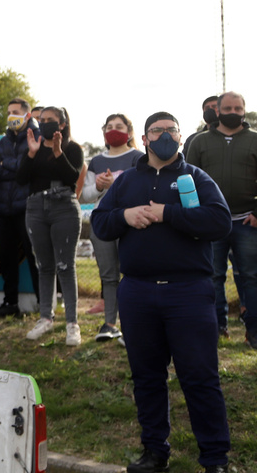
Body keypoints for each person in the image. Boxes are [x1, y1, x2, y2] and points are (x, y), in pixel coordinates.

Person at [92, 112, 231, 473]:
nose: (165, 135)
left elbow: (219, 221)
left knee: (200, 378)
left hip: (189, 293)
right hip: (137, 294)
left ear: (181, 137)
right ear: (145, 138)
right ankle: (155, 452)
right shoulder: (126, 183)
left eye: (172, 130)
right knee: (147, 377)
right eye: (158, 130)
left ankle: (215, 459)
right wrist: (126, 216)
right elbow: (101, 223)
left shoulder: (196, 178)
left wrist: (167, 213)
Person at [186, 91, 257, 345]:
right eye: (228, 108)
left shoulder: (255, 140)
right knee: (212, 276)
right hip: (212, 223)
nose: (234, 112)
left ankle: (254, 333)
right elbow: (188, 180)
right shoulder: (200, 142)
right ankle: (216, 329)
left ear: (244, 110)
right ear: (218, 111)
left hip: (247, 222)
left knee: (251, 276)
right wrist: (197, 216)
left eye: (239, 108)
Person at [18, 106, 84, 346]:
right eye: (41, 119)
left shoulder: (72, 148)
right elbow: (21, 178)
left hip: (63, 207)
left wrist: (57, 152)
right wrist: (32, 154)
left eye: (50, 120)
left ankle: (72, 324)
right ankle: (45, 318)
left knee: (65, 266)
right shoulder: (33, 146)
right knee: (44, 266)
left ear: (62, 124)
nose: (44, 123)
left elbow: (72, 177)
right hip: (36, 208)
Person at [80, 113, 142, 342]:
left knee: (132, 273)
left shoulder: (138, 158)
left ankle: (132, 325)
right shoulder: (96, 161)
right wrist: (97, 186)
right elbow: (85, 195)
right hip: (103, 223)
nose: (113, 130)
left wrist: (115, 184)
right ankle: (109, 324)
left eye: (119, 126)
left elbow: (142, 190)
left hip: (131, 223)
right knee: (108, 275)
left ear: (129, 132)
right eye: (109, 126)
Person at [0, 98, 39, 317]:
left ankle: (43, 304)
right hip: (3, 209)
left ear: (27, 116)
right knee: (7, 258)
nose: (11, 116)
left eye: (15, 112)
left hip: (28, 207)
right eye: (9, 112)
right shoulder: (4, 141)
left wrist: (6, 165)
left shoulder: (37, 137)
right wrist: (17, 167)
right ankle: (10, 302)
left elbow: (29, 169)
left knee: (35, 256)